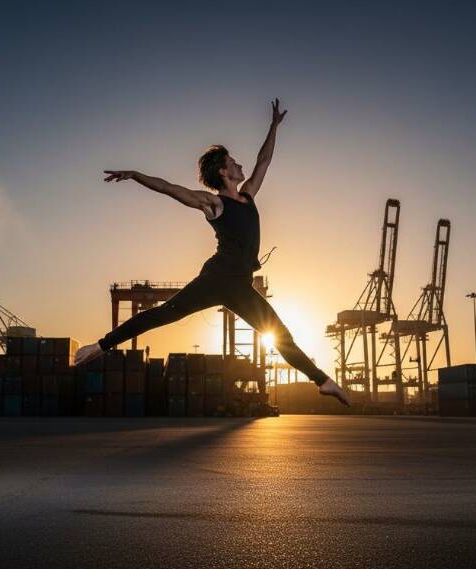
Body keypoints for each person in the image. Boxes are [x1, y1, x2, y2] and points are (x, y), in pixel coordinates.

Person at [74, 99, 351, 407]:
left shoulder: (248, 195)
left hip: (241, 286)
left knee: (280, 334)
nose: (239, 164)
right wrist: (135, 174)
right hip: (215, 280)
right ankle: (100, 347)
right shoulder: (215, 204)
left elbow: (264, 161)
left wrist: (274, 126)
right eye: (233, 162)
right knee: (163, 315)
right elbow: (170, 188)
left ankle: (324, 382)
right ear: (223, 171)